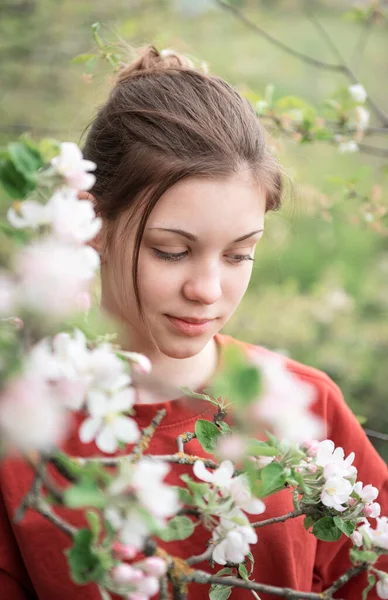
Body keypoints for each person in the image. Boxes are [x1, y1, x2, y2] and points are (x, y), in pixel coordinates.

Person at [0, 45, 387, 600]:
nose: (207, 291)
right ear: (91, 220)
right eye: (171, 251)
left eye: (238, 255)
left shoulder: (304, 407)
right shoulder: (21, 416)